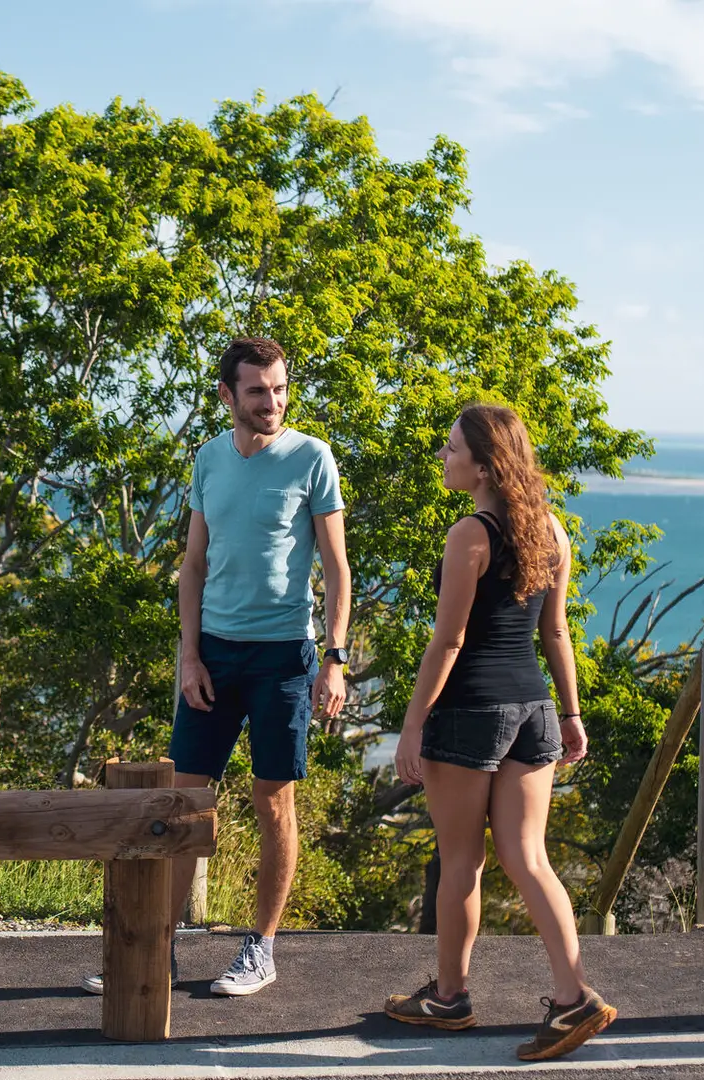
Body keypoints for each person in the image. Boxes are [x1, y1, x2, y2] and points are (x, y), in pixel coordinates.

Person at [84, 336, 349, 998]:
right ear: (228, 395)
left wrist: (335, 660)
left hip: (284, 657)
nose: (273, 401)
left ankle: (259, 950)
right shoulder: (208, 459)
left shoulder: (312, 458)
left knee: (273, 799)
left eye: (281, 388)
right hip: (214, 653)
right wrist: (189, 655)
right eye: (258, 390)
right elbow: (194, 564)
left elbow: (339, 569)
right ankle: (158, 952)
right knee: (183, 804)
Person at [382, 403, 617, 1061]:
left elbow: (450, 639)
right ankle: (573, 996)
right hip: (534, 713)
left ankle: (449, 999)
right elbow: (557, 633)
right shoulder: (552, 531)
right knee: (529, 857)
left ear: (483, 465)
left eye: (452, 448)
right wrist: (571, 715)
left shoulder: (470, 536)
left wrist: (411, 726)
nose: (443, 456)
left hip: (470, 715)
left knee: (463, 861)